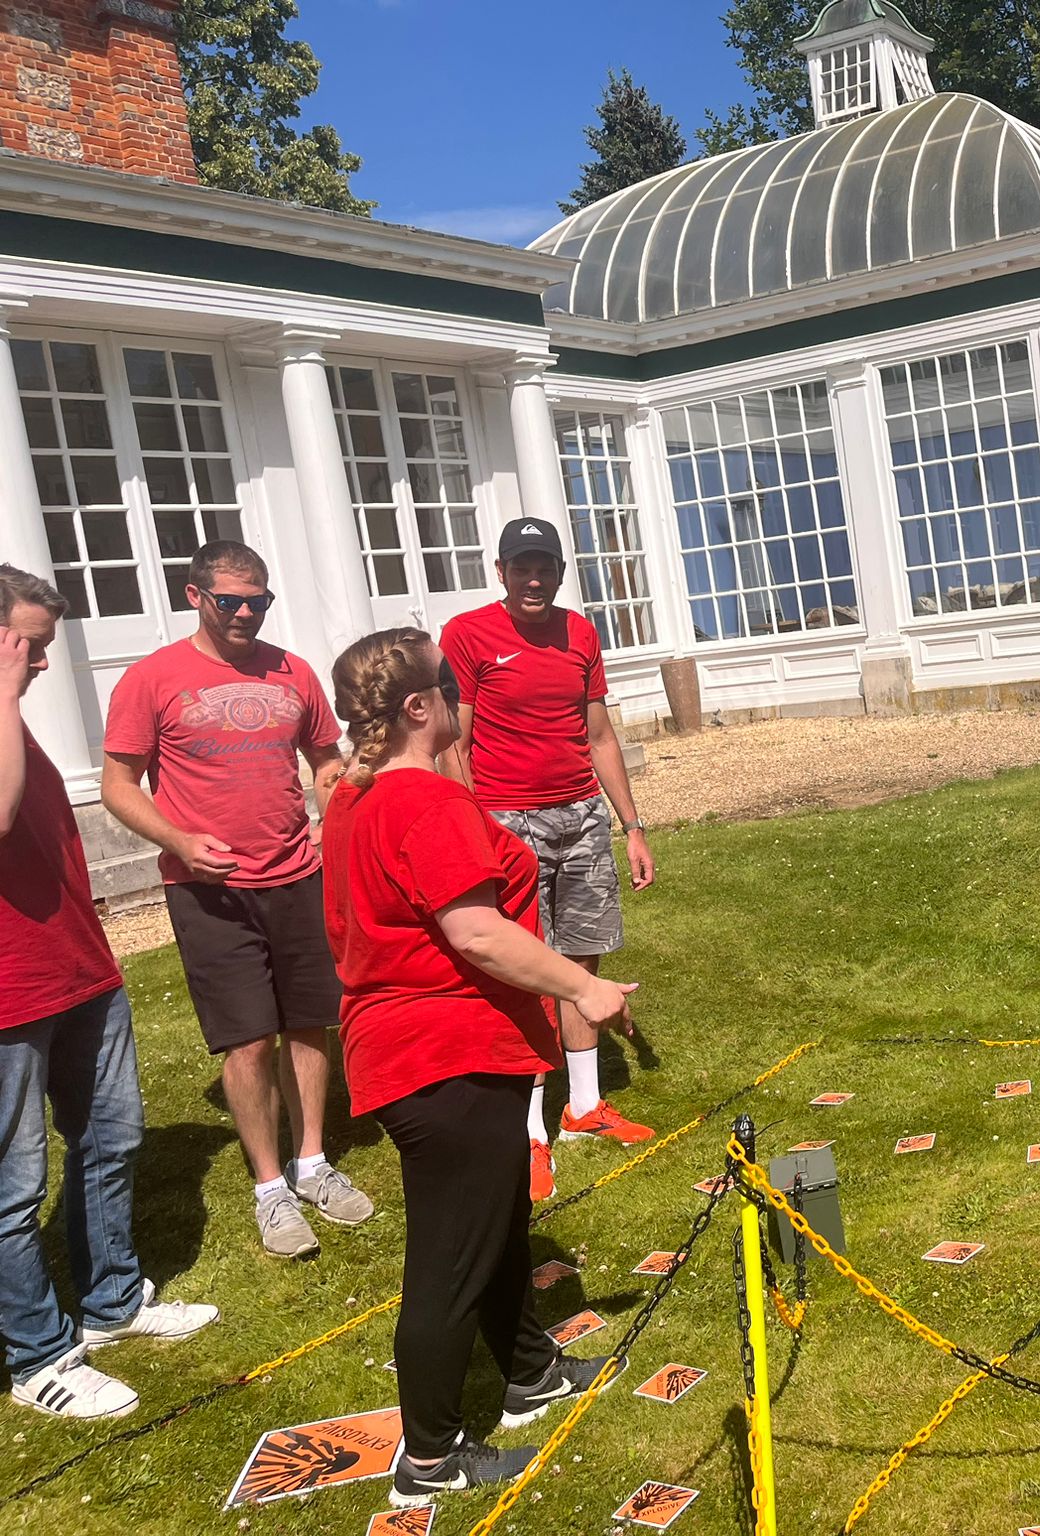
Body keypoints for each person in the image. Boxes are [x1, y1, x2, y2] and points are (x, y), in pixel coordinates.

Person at [323, 628, 633, 1504]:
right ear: (420, 707)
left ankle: (530, 1372)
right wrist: (585, 987)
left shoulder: (355, 794)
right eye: (450, 689)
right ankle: (427, 1459)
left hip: (432, 1048)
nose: (463, 701)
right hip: (441, 1056)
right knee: (450, 1261)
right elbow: (477, 932)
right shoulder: (422, 803)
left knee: (495, 1224)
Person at [100, 541, 371, 1259]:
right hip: (208, 889)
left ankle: (313, 1162)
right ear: (195, 596)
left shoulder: (293, 671)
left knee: (310, 1023)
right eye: (231, 601)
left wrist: (335, 817)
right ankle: (270, 1188)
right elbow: (118, 785)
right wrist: (179, 841)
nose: (247, 613)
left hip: (297, 874)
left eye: (258, 601)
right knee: (249, 1038)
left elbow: (325, 760)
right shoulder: (152, 679)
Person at [0, 565, 216, 1420]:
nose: (42, 663)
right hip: (9, 995)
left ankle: (112, 1302)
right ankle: (38, 1356)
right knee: (12, 1185)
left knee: (110, 1139)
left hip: (78, 970)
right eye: (30, 645)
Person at [441, 520, 657, 1201]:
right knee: (528, 972)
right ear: (501, 571)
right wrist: (475, 827)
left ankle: (583, 1108)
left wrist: (632, 826)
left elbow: (600, 735)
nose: (533, 580)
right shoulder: (467, 635)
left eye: (545, 568)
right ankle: (529, 1129)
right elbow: (454, 744)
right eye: (522, 568)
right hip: (509, 820)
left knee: (582, 961)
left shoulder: (580, 634)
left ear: (560, 572)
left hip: (582, 815)